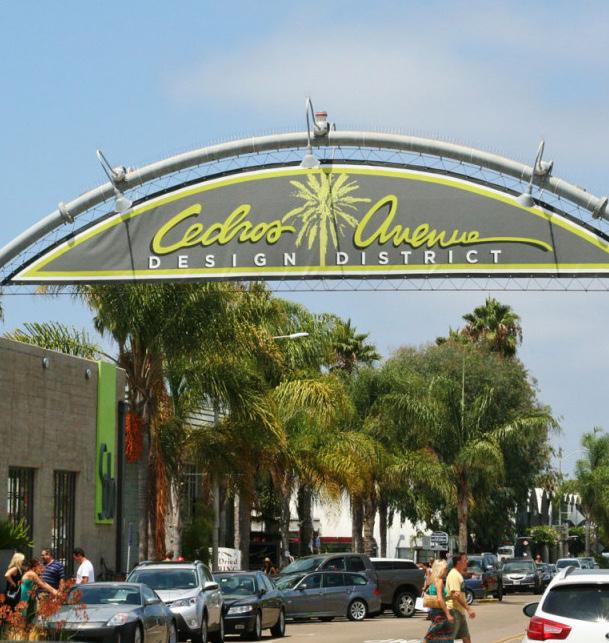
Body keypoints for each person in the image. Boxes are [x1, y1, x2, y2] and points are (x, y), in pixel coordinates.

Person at [446, 553, 476, 643]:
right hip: (454, 611)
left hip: (459, 611)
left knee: (466, 637)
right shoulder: (454, 575)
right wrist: (468, 608)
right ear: (458, 562)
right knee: (449, 639)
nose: (467, 562)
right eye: (465, 560)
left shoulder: (458, 574)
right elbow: (456, 595)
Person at [423, 559, 454, 642]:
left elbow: (436, 596)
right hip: (440, 611)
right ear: (440, 569)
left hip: (434, 610)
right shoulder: (439, 581)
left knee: (439, 634)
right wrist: (448, 614)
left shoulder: (432, 579)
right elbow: (440, 599)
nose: (447, 571)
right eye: (445, 568)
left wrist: (450, 597)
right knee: (432, 634)